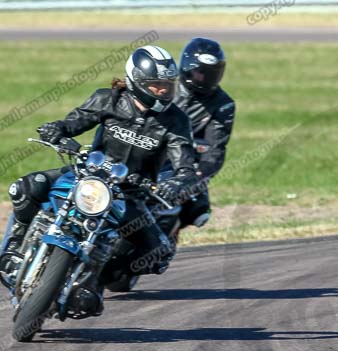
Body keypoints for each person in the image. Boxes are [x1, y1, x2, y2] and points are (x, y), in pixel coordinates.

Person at [1, 45, 201, 305]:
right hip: (87, 174)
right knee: (26, 187)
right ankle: (12, 252)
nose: (163, 91)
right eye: (156, 85)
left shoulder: (177, 121)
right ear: (136, 81)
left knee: (157, 252)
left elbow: (185, 165)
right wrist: (56, 130)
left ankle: (92, 283)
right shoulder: (108, 99)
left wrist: (177, 182)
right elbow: (74, 122)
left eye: (167, 85)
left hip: (130, 194)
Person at [169, 37, 235, 229]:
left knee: (199, 212)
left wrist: (195, 176)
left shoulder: (223, 104)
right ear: (188, 68)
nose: (204, 78)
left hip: (186, 166)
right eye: (200, 73)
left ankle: (167, 239)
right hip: (149, 155)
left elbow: (214, 151)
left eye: (211, 74)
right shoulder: (164, 88)